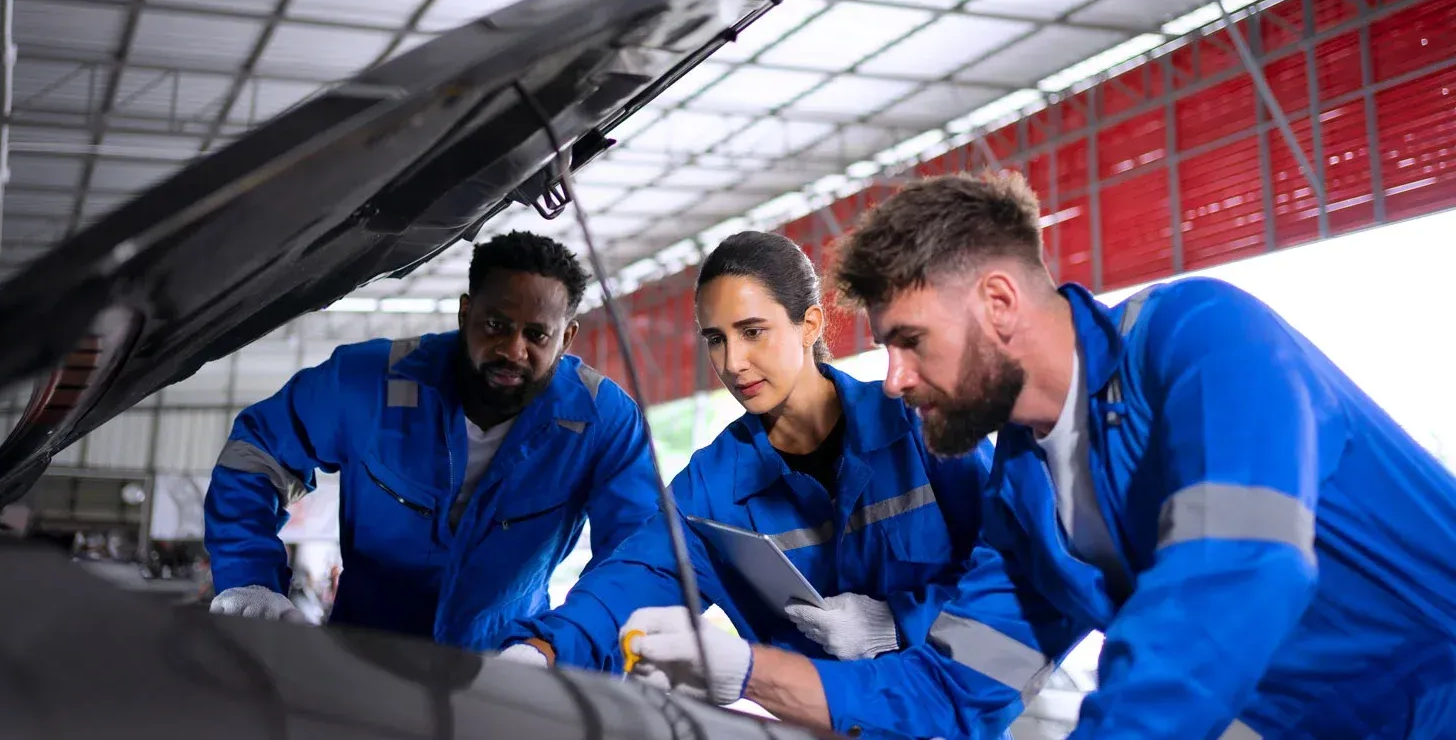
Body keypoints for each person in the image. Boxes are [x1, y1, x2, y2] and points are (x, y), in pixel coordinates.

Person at [621, 170, 1456, 740]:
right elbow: (954, 689)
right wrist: (740, 670)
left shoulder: (1202, 341)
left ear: (997, 301)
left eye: (911, 343)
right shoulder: (1025, 504)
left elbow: (1238, 570)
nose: (897, 380)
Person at [496, 231, 997, 731]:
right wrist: (542, 650)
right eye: (716, 338)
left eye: (752, 331)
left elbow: (1014, 579)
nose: (732, 362)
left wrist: (897, 623)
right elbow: (631, 579)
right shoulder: (713, 488)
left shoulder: (921, 428)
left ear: (809, 325)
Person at [203, 230, 661, 648]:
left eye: (537, 335)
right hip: (360, 659)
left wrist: (557, 647)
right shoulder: (367, 384)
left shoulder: (604, 422)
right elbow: (257, 453)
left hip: (506, 670)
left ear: (567, 339)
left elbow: (636, 554)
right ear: (466, 312)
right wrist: (251, 580)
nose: (512, 350)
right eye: (496, 325)